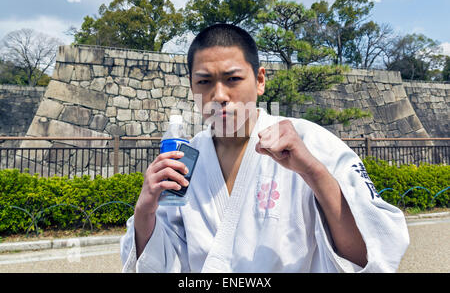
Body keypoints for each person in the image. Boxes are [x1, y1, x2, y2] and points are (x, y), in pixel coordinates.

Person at [120, 23, 409, 272]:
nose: (219, 95)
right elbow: (161, 261)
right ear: (192, 85)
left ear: (259, 80)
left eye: (233, 79)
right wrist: (145, 208)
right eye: (204, 81)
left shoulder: (310, 141)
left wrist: (312, 171)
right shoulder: (185, 159)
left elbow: (366, 257)